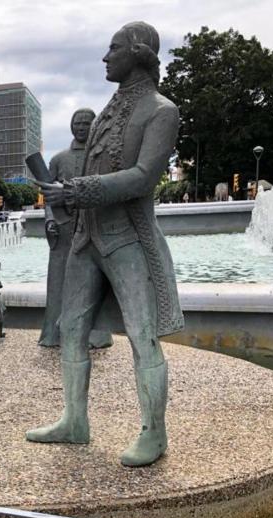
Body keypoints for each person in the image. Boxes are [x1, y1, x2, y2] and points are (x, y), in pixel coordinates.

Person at [26, 22, 183, 467]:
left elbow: (142, 178)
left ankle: (155, 433)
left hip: (127, 240)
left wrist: (76, 191)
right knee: (70, 330)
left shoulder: (160, 110)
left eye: (113, 49)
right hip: (86, 240)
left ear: (137, 52)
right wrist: (66, 199)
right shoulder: (109, 109)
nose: (105, 57)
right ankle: (74, 421)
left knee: (142, 335)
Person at [38, 109, 113, 349]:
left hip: (94, 226)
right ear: (71, 127)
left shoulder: (103, 158)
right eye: (77, 123)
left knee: (96, 280)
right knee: (59, 280)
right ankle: (54, 334)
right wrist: (50, 220)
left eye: (86, 123)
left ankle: (97, 333)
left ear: (94, 126)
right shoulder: (59, 159)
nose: (81, 127)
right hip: (64, 228)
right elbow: (48, 195)